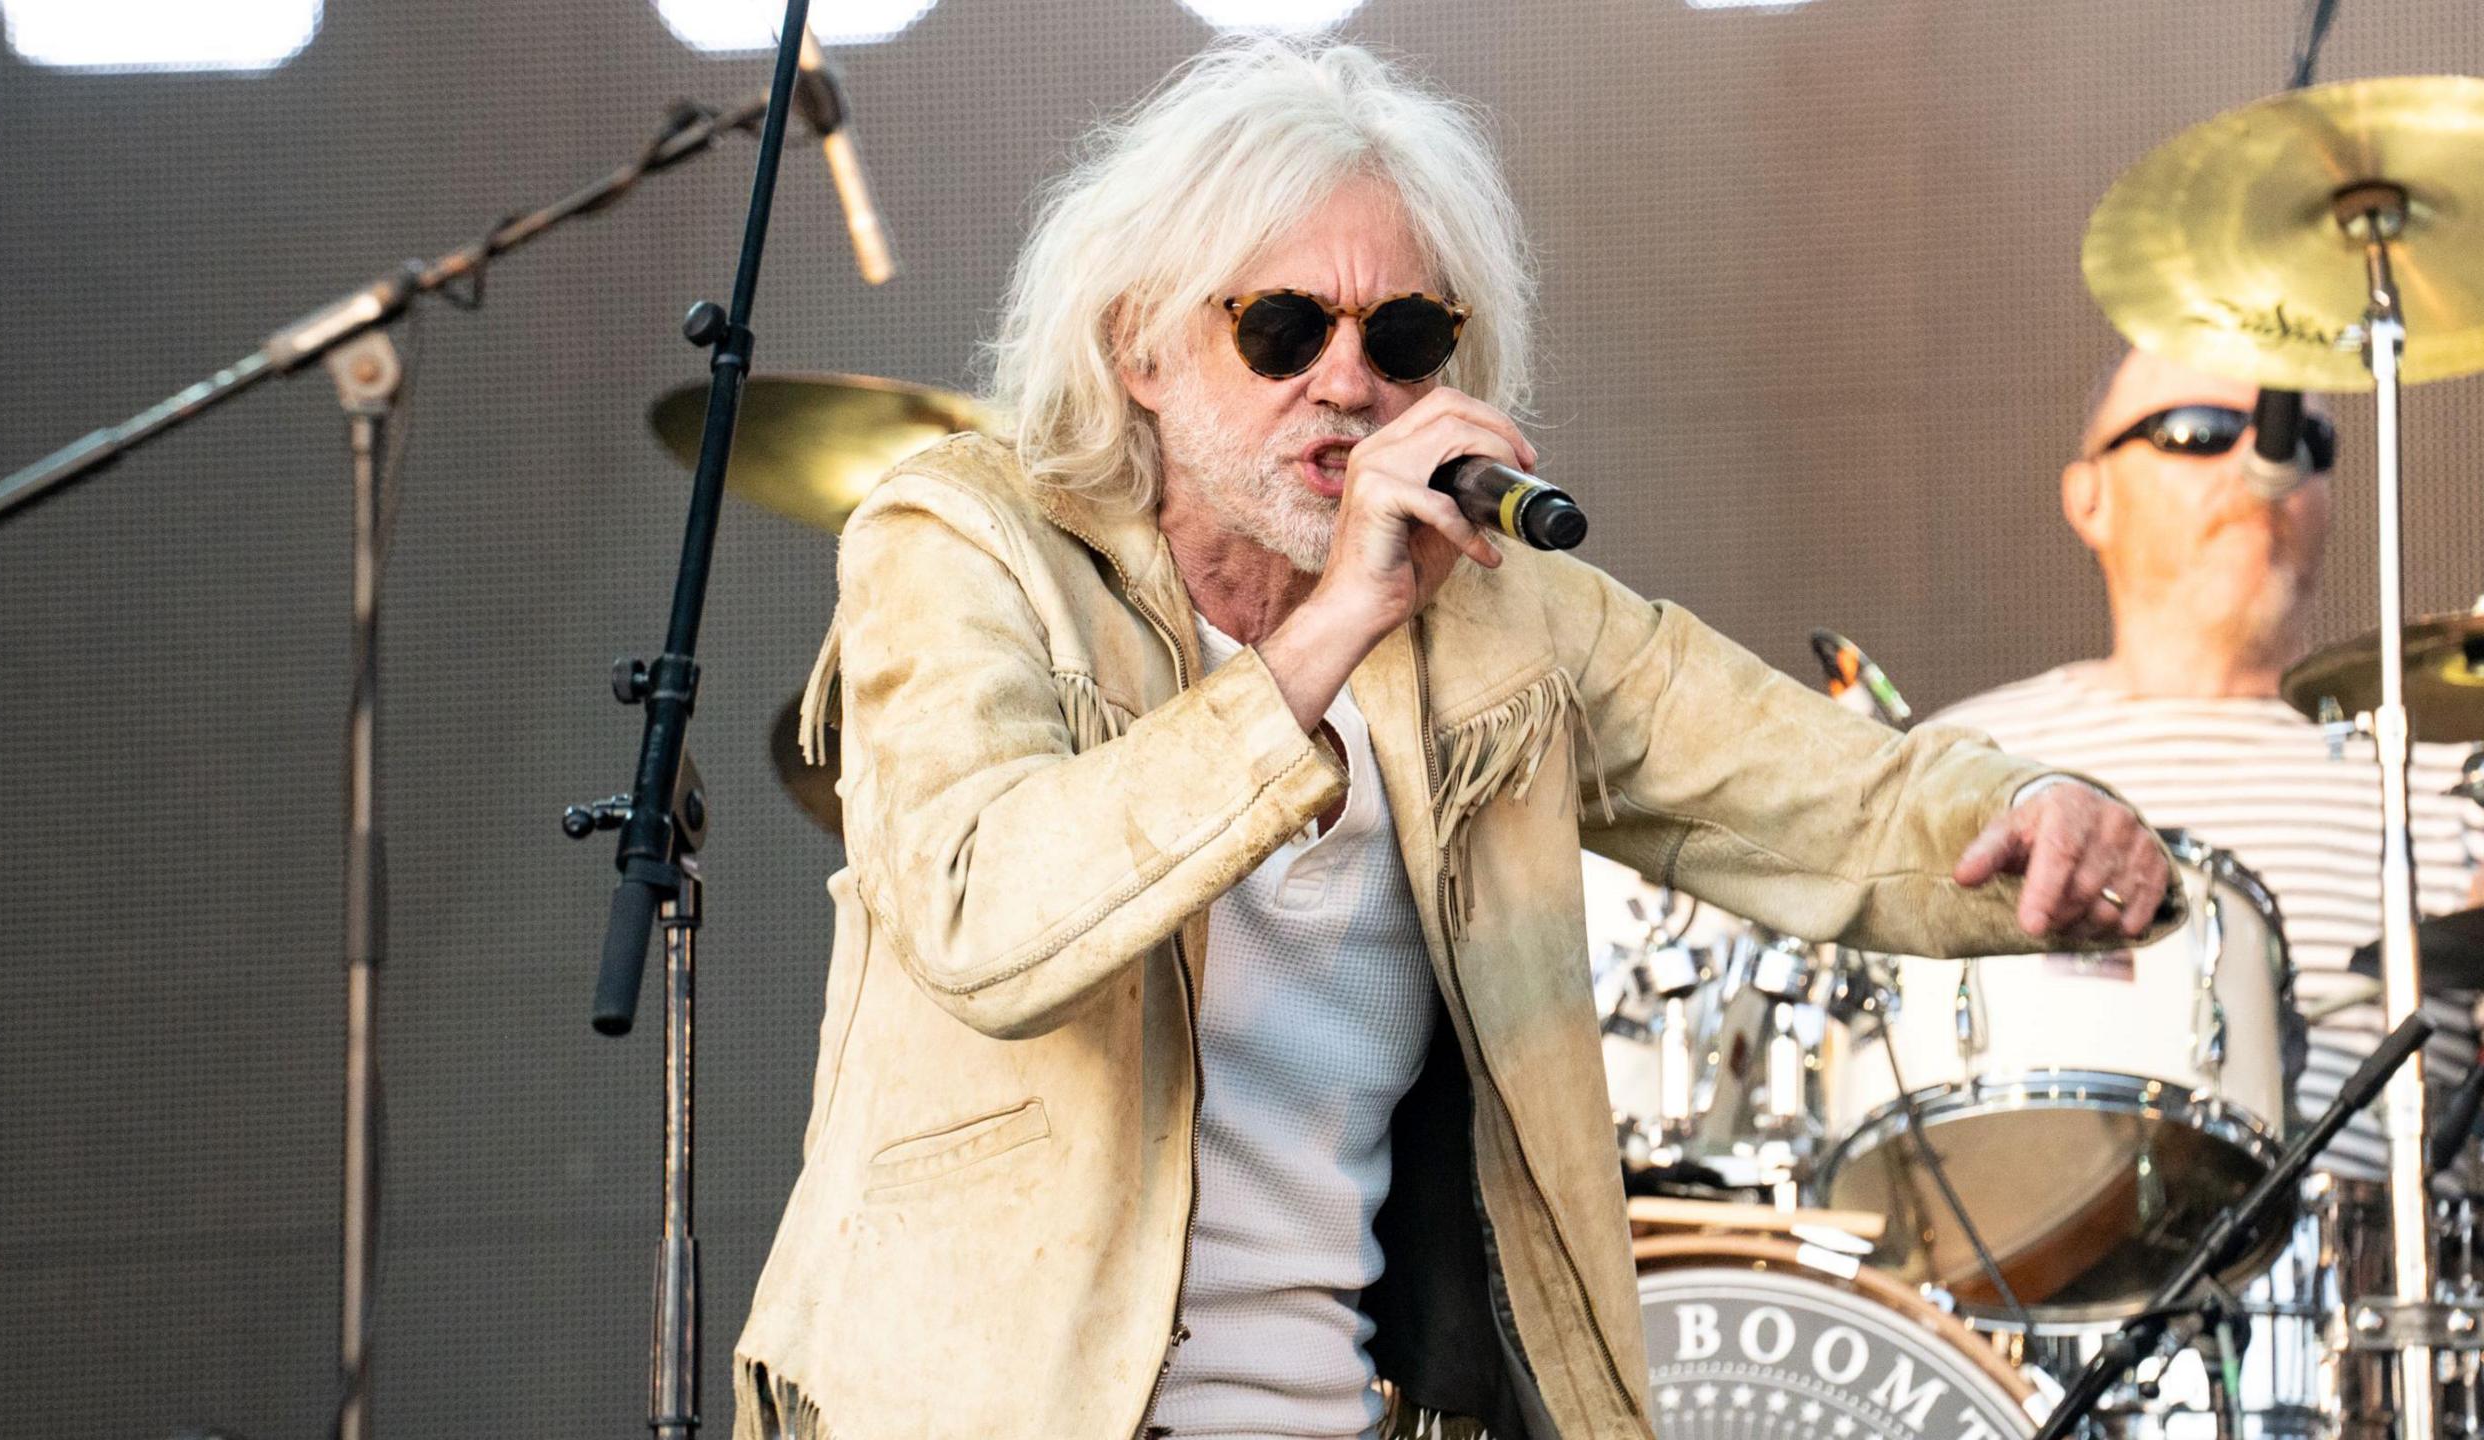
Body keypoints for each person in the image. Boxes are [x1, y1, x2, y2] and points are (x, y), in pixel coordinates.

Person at [733, 40, 2172, 1440]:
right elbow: (986, 916)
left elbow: (1827, 788)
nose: (1350, 384)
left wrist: (2040, 809)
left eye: (1405, 339)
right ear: (1140, 347)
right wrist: (1325, 634)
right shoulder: (966, 538)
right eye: (1284, 329)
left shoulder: (1498, 615)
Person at [1933, 345, 2484, 1184]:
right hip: (2015, 1272)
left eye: (2296, 440)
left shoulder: (2446, 770)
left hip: (2373, 1292)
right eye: (2200, 434)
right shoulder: (1966, 762)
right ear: (2089, 498)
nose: (2265, 468)